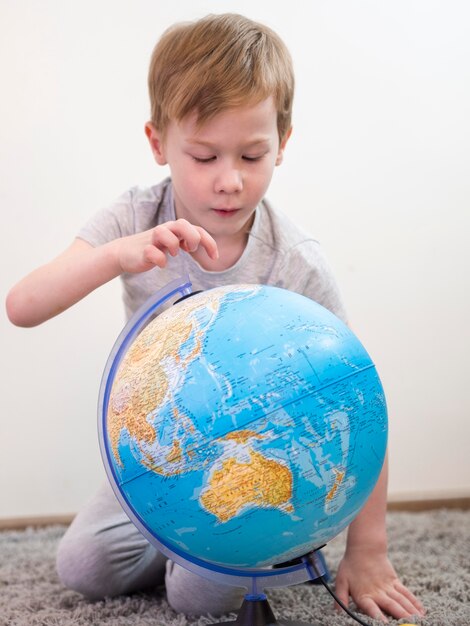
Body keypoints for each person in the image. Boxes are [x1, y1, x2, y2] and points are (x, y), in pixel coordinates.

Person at [6, 13, 424, 622]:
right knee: (83, 569)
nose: (228, 181)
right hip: (159, 456)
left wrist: (369, 549)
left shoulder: (295, 260)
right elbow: (22, 306)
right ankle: (185, 546)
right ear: (158, 143)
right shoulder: (133, 217)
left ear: (283, 144)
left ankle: (247, 552)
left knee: (194, 598)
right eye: (203, 156)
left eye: (252, 155)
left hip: (252, 469)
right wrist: (118, 253)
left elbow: (358, 398)